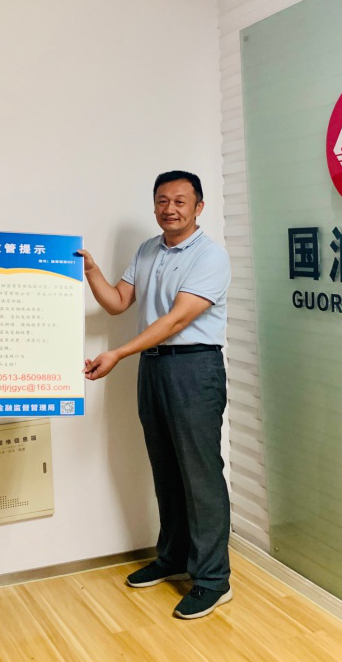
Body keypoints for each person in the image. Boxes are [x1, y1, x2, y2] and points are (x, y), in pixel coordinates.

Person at [80, 171, 232, 619]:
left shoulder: (210, 256)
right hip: (154, 367)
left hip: (194, 367)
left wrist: (118, 353)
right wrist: (91, 271)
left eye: (181, 201)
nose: (170, 209)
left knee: (200, 475)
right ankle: (174, 557)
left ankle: (213, 579)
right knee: (166, 468)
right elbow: (116, 302)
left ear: (199, 207)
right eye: (163, 200)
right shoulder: (148, 249)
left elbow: (177, 320)